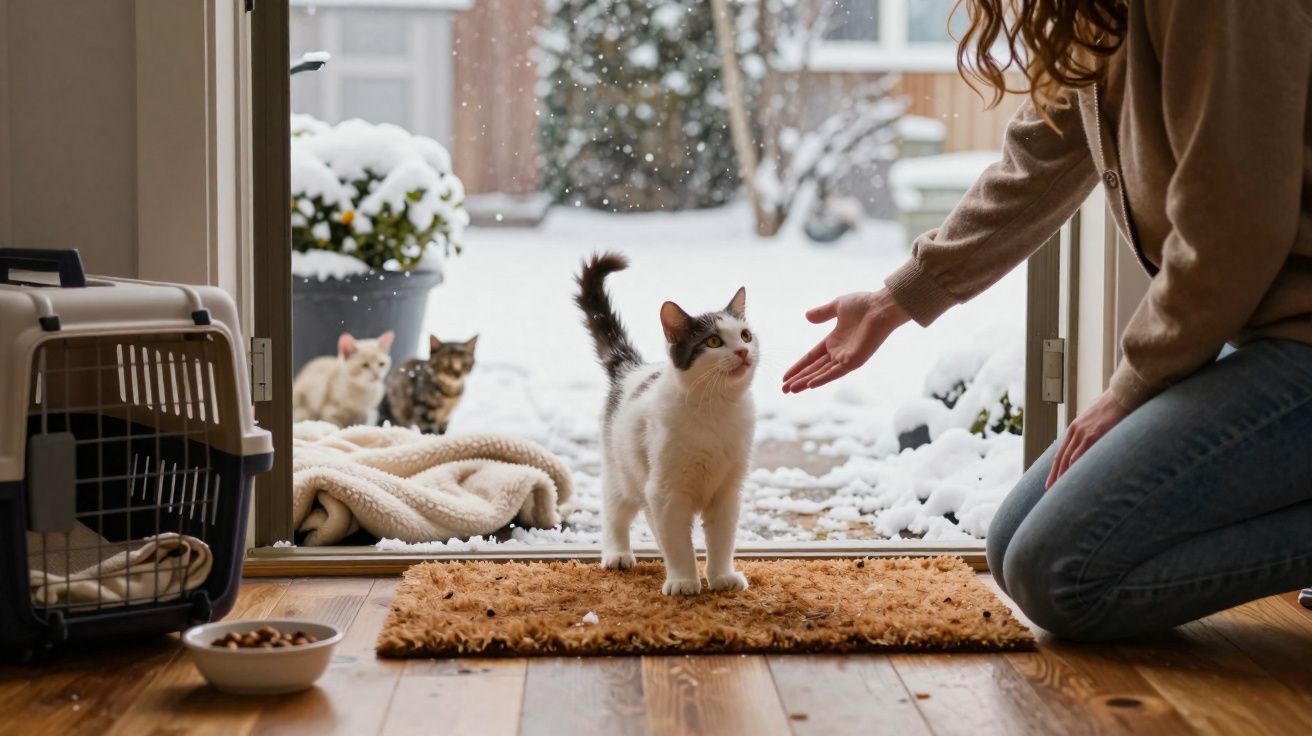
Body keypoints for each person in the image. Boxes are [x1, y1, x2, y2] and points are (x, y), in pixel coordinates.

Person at [782, 0, 1312, 641]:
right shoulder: (1098, 12)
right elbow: (1040, 154)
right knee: (1012, 547)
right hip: (1270, 339)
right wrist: (896, 300)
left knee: (1059, 575)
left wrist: (1132, 386)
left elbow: (1233, 228)